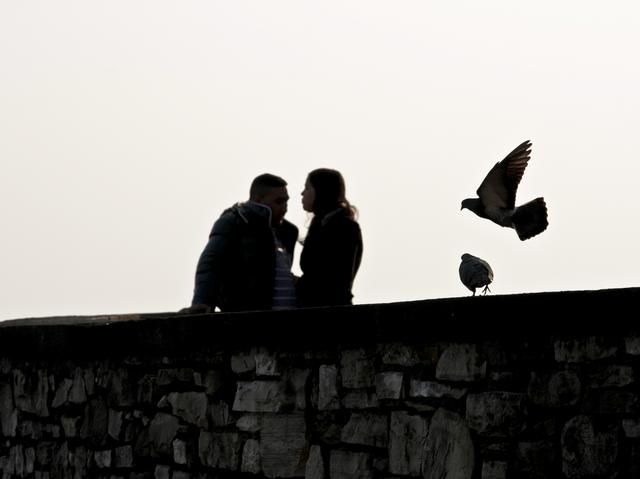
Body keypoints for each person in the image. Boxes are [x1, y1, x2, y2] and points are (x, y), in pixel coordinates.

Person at [183, 173, 298, 313]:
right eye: (279, 202)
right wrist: (202, 301)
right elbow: (211, 262)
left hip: (289, 319)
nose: (284, 207)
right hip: (250, 320)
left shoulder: (288, 231)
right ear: (258, 200)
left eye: (286, 201)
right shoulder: (234, 222)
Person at [296, 168, 363, 307]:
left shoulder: (345, 227)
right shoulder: (321, 224)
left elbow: (331, 279)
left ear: (321, 190)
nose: (302, 193)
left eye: (307, 188)